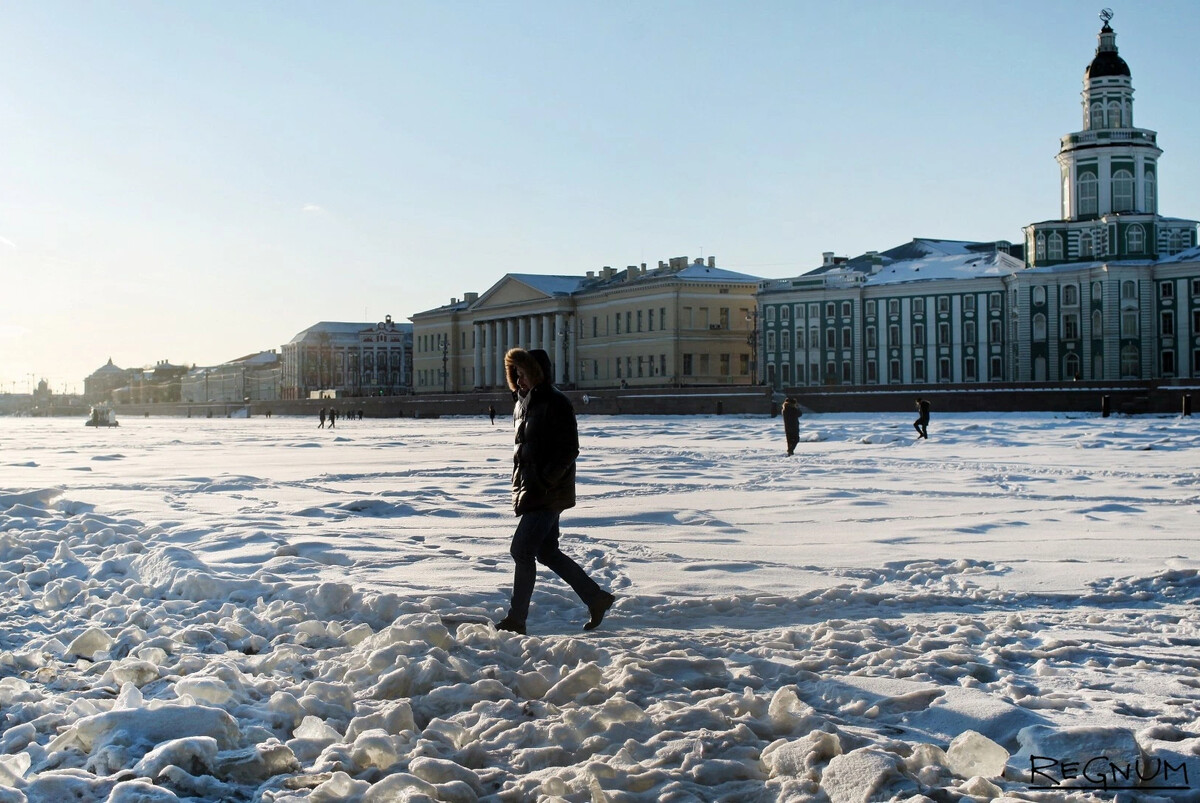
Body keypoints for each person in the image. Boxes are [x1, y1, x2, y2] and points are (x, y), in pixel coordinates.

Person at [495, 348, 615, 636]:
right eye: (516, 375)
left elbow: (568, 449)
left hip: (547, 492)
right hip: (535, 489)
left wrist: (545, 480)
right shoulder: (524, 403)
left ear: (536, 373)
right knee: (546, 551)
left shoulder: (555, 402)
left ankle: (516, 619)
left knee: (521, 550)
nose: (518, 379)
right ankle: (595, 597)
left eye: (522, 374)